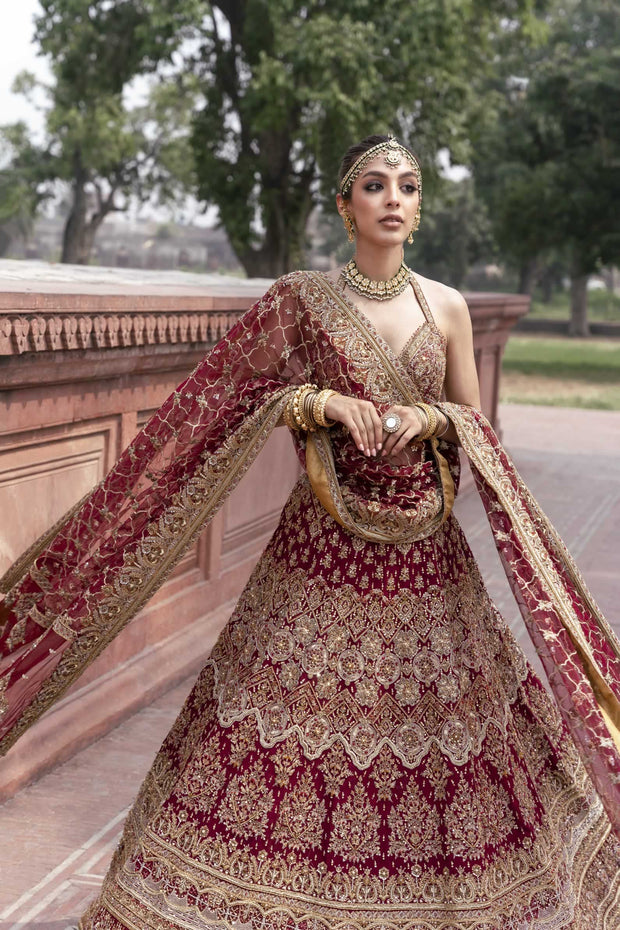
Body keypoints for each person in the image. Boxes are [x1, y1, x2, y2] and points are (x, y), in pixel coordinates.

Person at [0, 134, 619, 929]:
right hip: (318, 553)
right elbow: (225, 397)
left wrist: (429, 415)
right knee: (278, 737)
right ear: (344, 205)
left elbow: (472, 422)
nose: (393, 197)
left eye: (407, 185)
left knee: (436, 737)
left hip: (424, 559)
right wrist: (316, 404)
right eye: (373, 184)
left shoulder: (449, 306)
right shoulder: (302, 298)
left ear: (420, 205)